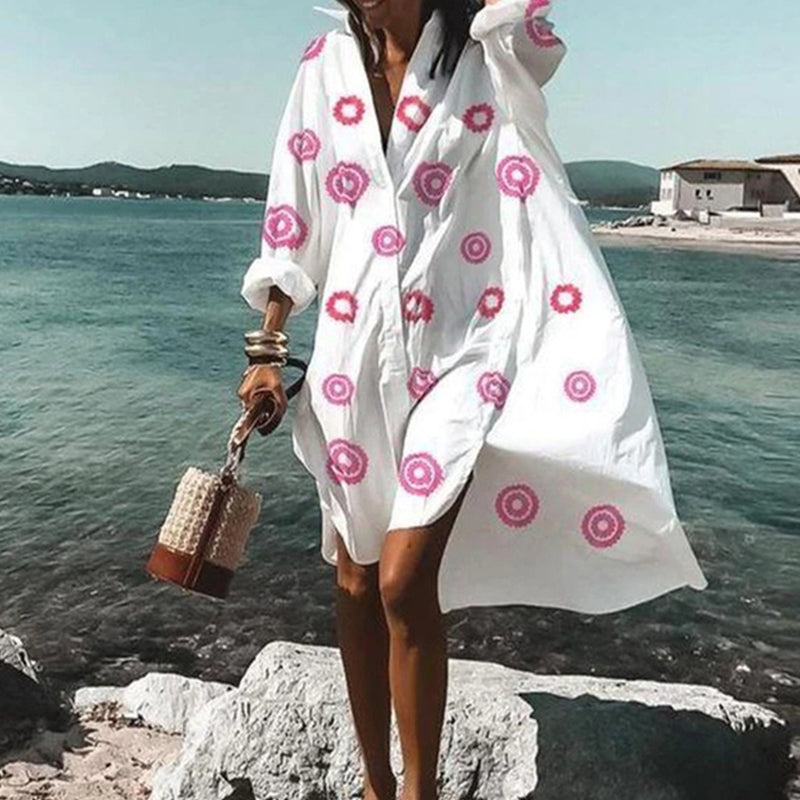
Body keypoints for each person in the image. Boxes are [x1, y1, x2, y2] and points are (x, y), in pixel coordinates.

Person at [237, 1, 708, 798]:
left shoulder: (490, 54)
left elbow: (539, 35)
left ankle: (417, 792)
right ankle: (375, 784)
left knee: (402, 580)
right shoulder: (323, 66)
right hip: (353, 357)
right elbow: (294, 219)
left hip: (464, 351)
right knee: (355, 579)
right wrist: (267, 352)